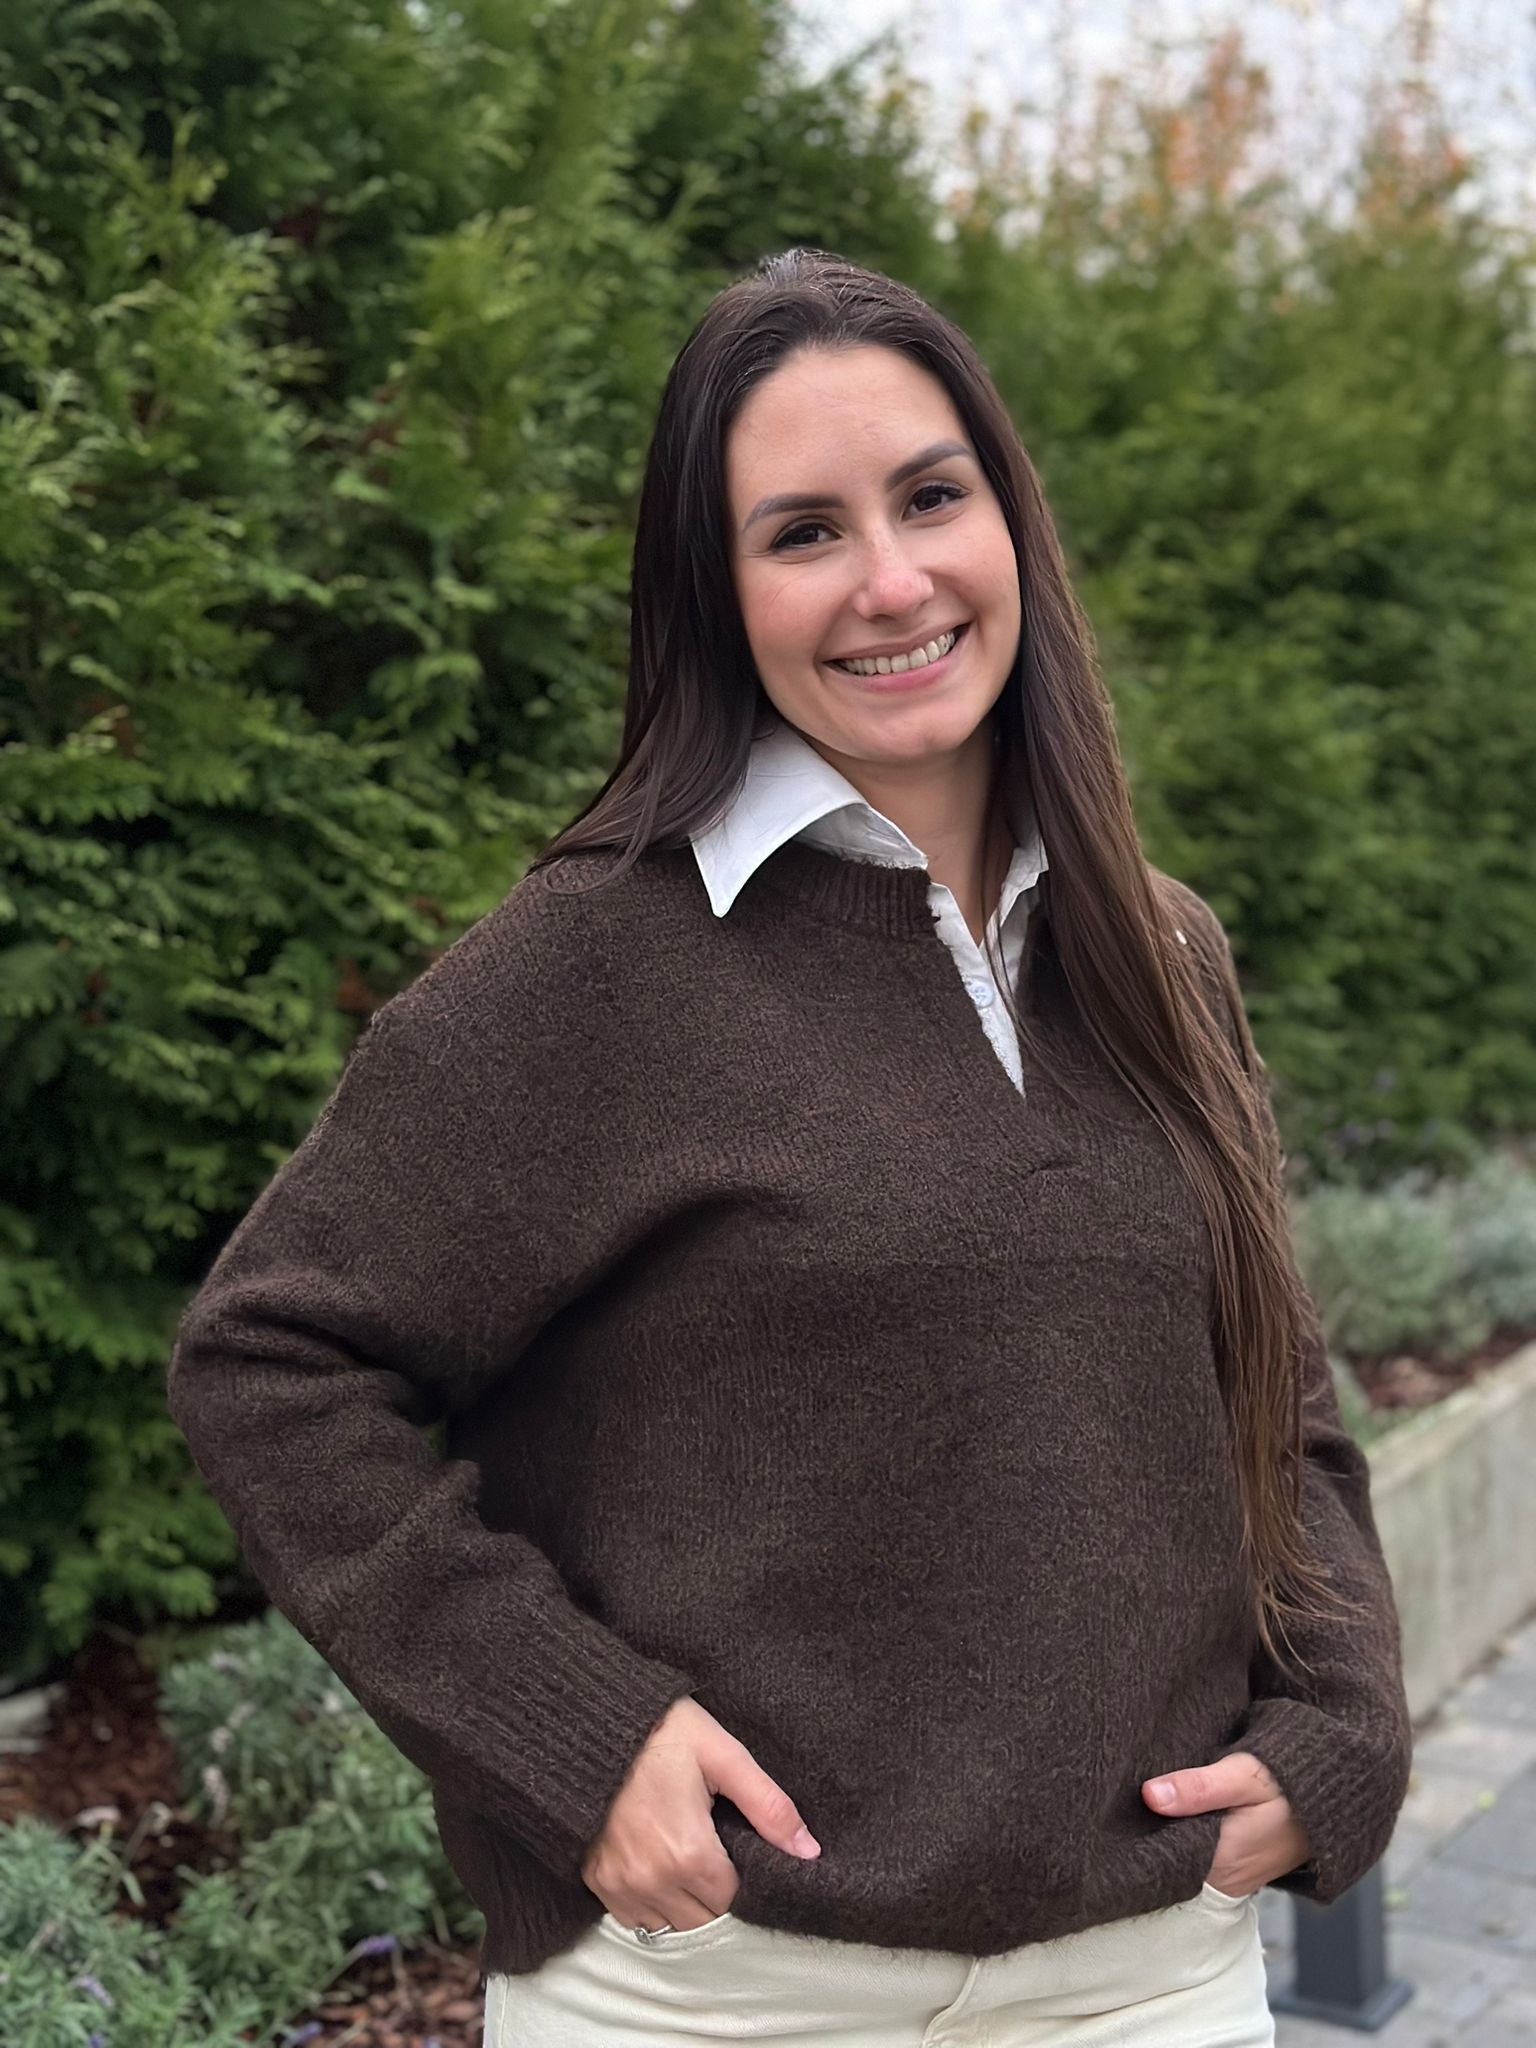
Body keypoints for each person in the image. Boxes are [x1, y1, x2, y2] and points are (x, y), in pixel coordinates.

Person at [166, 248, 1412, 2047]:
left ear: (1011, 520)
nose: (892, 580)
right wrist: (576, 1737)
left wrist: (1346, 1727)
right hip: (723, 1992)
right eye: (803, 531)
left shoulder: (1161, 949)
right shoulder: (595, 966)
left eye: (932, 497)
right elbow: (272, 1362)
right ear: (716, 590)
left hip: (1146, 1977)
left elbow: (1274, 1392)